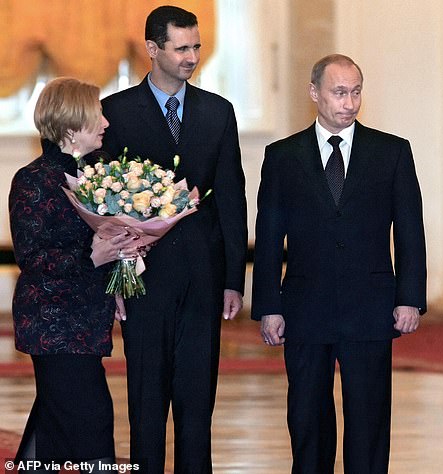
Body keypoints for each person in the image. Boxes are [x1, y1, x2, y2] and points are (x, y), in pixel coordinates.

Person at [251, 54, 427, 474]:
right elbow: (270, 238)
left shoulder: (392, 153)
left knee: (368, 421)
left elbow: (410, 233)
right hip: (304, 308)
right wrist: (269, 306)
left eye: (356, 92)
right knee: (307, 419)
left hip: (370, 306)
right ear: (314, 93)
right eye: (339, 92)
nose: (349, 103)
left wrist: (410, 299)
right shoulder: (282, 156)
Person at [99, 5, 248, 473]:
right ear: (152, 49)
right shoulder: (115, 113)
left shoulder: (218, 112)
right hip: (143, 279)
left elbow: (232, 199)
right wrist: (116, 281)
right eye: (181, 48)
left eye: (196, 47)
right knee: (145, 399)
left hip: (203, 279)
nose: (191, 57)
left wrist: (233, 280)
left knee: (197, 398)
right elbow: (103, 205)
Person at [9, 77, 139, 472]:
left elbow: (110, 239)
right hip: (52, 324)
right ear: (71, 127)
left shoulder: (98, 175)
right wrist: (92, 257)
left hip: (87, 321)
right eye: (96, 114)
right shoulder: (32, 180)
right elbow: (32, 257)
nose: (105, 122)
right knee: (92, 422)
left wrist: (121, 271)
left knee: (51, 423)